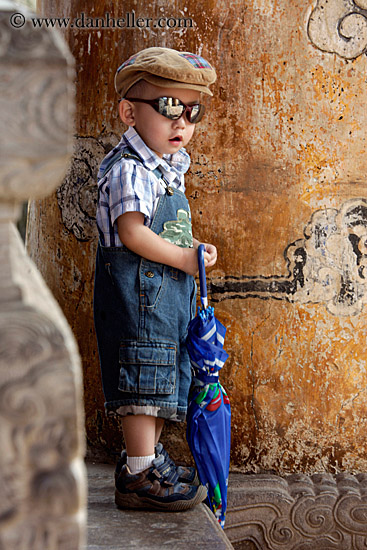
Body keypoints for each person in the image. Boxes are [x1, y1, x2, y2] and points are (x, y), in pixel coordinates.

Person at [93, 47, 217, 511]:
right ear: (129, 112)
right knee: (145, 376)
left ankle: (146, 460)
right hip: (137, 296)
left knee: (163, 375)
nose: (181, 122)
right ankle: (138, 472)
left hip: (163, 298)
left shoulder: (164, 171)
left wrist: (193, 254)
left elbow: (165, 229)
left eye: (192, 111)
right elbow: (132, 233)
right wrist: (186, 260)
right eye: (168, 107)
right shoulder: (130, 169)